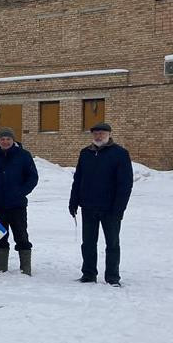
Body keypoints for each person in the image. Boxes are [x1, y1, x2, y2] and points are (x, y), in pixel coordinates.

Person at [69, 122, 133, 286]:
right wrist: (74, 200)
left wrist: (119, 208)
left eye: (102, 133)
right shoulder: (85, 153)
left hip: (110, 208)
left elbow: (125, 184)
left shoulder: (120, 154)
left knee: (112, 243)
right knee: (88, 243)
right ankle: (89, 274)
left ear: (109, 134)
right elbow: (78, 179)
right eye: (96, 133)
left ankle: (112, 276)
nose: (98, 136)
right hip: (89, 206)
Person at [0, 128, 39, 275]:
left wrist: (21, 192)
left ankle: (25, 267)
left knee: (21, 235)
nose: (5, 141)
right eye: (2, 139)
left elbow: (32, 177)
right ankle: (1, 265)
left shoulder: (24, 156)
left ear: (13, 140)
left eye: (8, 139)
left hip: (17, 204)